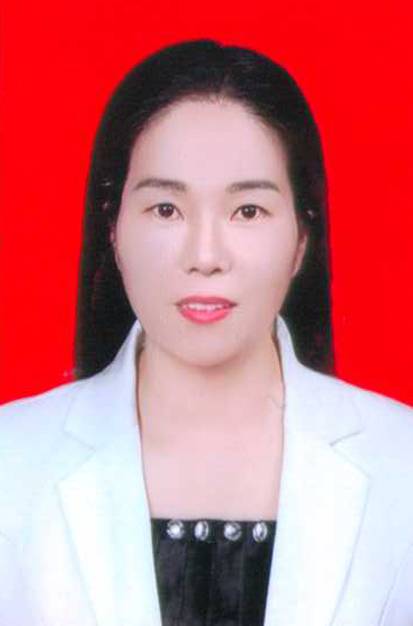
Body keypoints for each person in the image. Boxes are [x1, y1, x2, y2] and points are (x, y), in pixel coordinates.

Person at [0, 39, 412, 626]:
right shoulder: (11, 462)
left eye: (248, 211)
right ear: (113, 228)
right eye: (166, 209)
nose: (205, 256)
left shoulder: (401, 463)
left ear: (302, 238)